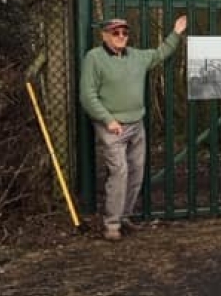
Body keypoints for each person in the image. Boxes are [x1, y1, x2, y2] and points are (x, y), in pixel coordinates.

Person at [80, 15, 188, 241]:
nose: (120, 37)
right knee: (119, 172)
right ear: (105, 35)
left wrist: (176, 32)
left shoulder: (137, 57)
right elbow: (87, 96)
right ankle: (111, 223)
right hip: (111, 126)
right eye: (115, 32)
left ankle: (125, 216)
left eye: (124, 33)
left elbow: (160, 54)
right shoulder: (94, 58)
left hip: (136, 123)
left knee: (136, 170)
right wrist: (108, 119)